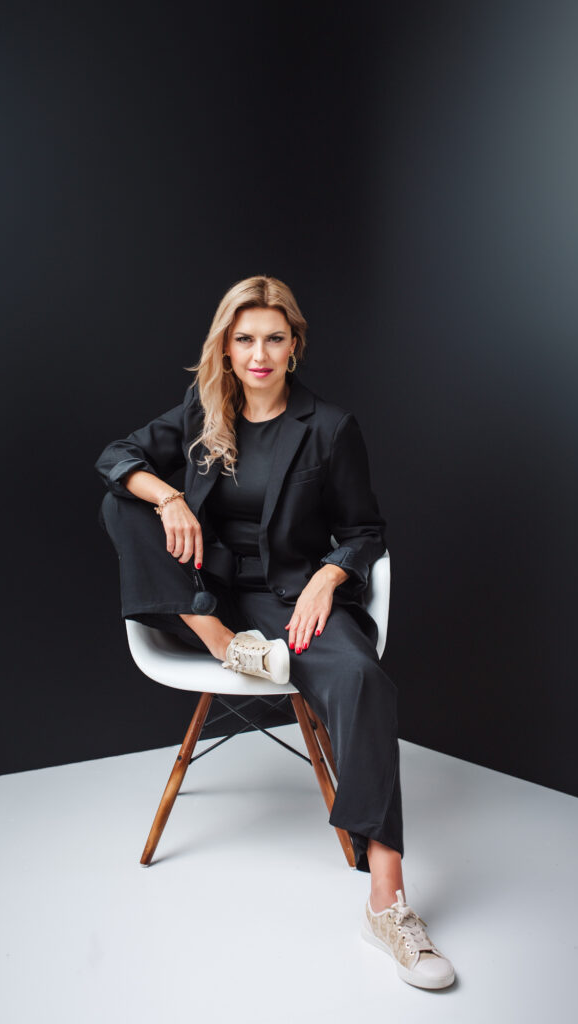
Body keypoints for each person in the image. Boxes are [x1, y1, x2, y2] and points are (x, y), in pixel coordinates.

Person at [95, 275, 455, 990]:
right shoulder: (202, 413)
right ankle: (214, 638)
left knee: (360, 679)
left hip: (291, 599)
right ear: (225, 348)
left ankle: (387, 901)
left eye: (273, 338)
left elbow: (363, 531)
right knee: (125, 503)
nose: (259, 353)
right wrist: (169, 495)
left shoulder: (328, 426)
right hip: (212, 595)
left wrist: (328, 577)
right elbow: (114, 456)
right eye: (244, 339)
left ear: (294, 345)